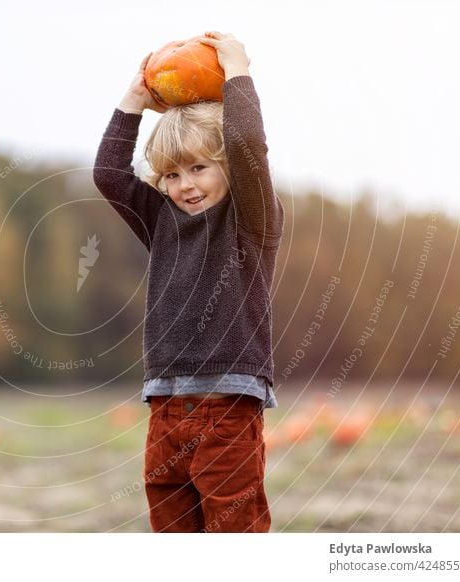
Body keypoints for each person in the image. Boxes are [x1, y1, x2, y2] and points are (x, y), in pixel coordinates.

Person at [93, 31, 283, 532]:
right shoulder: (162, 220)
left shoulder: (252, 218)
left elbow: (245, 145)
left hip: (229, 407)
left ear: (227, 167)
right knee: (173, 534)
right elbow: (109, 173)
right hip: (166, 408)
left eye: (199, 167)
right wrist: (134, 99)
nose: (185, 185)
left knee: (233, 532)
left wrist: (237, 72)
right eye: (172, 175)